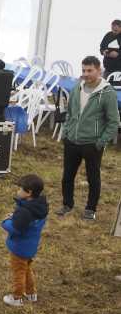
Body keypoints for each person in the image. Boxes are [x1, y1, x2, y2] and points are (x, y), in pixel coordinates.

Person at [56, 56, 120, 222]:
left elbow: (113, 122)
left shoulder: (107, 93)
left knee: (93, 178)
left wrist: (100, 142)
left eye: (90, 70)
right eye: (83, 70)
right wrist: (66, 134)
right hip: (72, 141)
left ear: (99, 71)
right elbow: (70, 113)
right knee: (67, 176)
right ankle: (67, 204)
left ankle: (90, 209)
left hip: (92, 144)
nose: (86, 74)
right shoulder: (77, 87)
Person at [2, 174, 48, 307]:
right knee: (27, 269)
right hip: (31, 247)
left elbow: (16, 229)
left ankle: (16, 297)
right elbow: (27, 222)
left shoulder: (25, 212)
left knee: (18, 273)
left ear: (28, 193)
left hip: (19, 248)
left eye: (19, 189)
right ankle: (31, 293)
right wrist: (15, 216)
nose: (17, 191)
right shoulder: (39, 206)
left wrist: (6, 222)